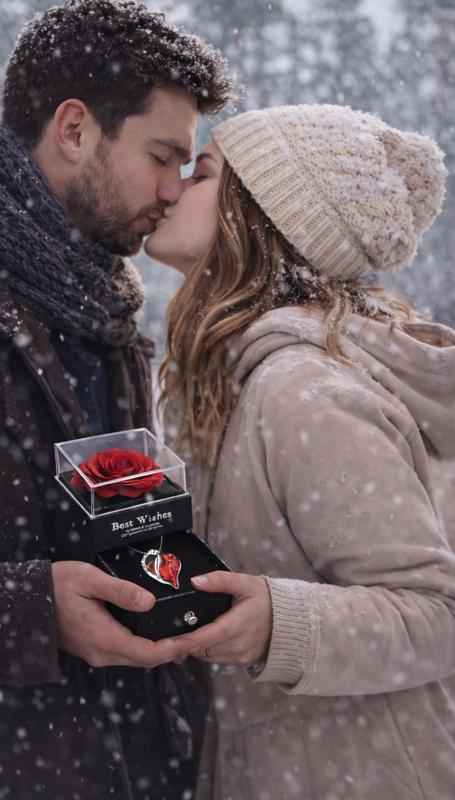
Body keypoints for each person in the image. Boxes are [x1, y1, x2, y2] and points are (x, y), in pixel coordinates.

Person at [0, 1, 232, 797]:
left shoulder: (101, 301)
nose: (174, 190)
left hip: (130, 759)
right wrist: (31, 609)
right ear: (73, 129)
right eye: (163, 156)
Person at [145, 104, 455, 799]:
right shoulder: (247, 380)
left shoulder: (301, 390)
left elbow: (435, 615)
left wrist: (276, 623)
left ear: (257, 216)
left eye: (201, 173)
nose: (170, 188)